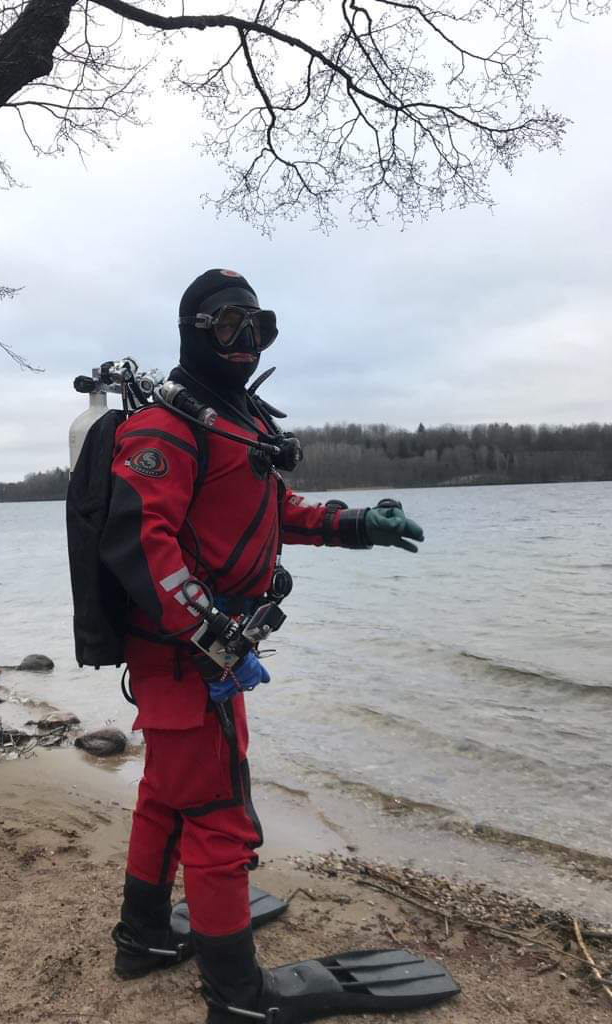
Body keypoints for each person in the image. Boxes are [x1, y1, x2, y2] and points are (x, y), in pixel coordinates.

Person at [99, 269, 433, 1023]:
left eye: (258, 327)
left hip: (204, 655)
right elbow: (140, 541)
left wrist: (357, 525)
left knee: (168, 794)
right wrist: (209, 631)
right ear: (194, 331)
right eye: (228, 326)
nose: (245, 342)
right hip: (187, 656)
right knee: (219, 815)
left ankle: (143, 936)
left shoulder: (234, 423)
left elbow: (277, 511)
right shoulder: (166, 428)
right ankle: (238, 997)